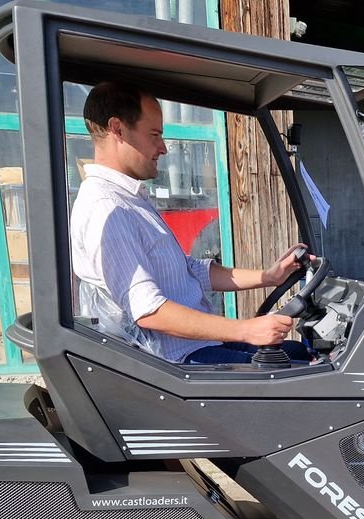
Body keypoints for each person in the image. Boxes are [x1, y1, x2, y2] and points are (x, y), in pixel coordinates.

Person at [70, 81, 310, 365]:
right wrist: (246, 329)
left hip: (195, 347)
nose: (163, 148)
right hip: (180, 363)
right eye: (154, 135)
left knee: (301, 355)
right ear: (118, 129)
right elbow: (149, 311)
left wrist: (268, 277)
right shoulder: (108, 208)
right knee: (312, 372)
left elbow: (189, 272)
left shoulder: (130, 198)